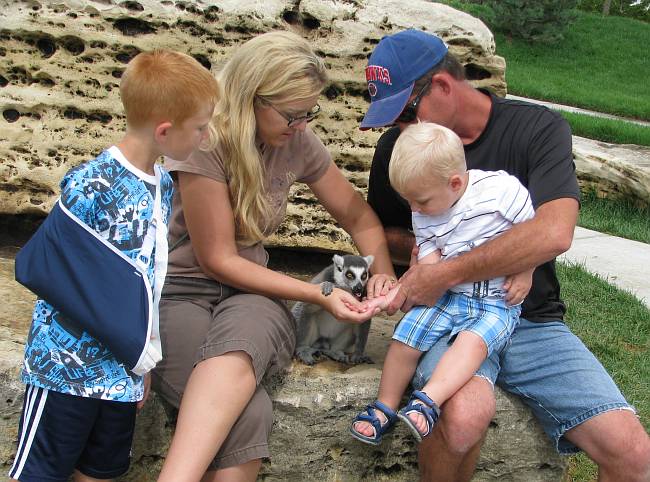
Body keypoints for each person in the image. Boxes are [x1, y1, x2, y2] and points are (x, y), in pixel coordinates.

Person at [361, 29, 650, 481]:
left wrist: (451, 266)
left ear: (440, 85)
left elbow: (554, 232)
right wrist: (420, 255)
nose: (398, 130)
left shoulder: (537, 129)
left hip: (530, 319)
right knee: (460, 421)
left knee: (634, 456)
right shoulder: (399, 150)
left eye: (404, 114)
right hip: (450, 316)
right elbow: (383, 231)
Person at [151, 30, 395, 482]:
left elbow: (358, 216)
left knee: (241, 349)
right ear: (252, 98)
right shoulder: (206, 142)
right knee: (249, 416)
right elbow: (218, 260)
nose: (301, 125)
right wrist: (319, 292)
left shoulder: (296, 139)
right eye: (292, 114)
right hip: (182, 291)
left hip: (252, 293)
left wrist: (380, 273)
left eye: (309, 114)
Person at [9, 50, 218, 482]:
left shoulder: (161, 183)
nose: (206, 135)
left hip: (118, 373)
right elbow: (47, 265)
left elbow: (149, 279)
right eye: (200, 127)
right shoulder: (92, 183)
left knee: (102, 472)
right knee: (41, 473)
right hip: (62, 372)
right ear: (164, 131)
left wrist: (141, 362)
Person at [350, 121, 534, 445]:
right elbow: (431, 269)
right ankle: (385, 406)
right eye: (409, 201)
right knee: (405, 338)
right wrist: (399, 294)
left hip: (495, 300)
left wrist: (526, 269)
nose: (414, 210)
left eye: (420, 201)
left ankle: (428, 401)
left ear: (455, 182)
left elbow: (535, 234)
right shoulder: (423, 210)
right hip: (448, 296)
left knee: (472, 344)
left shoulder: (500, 193)